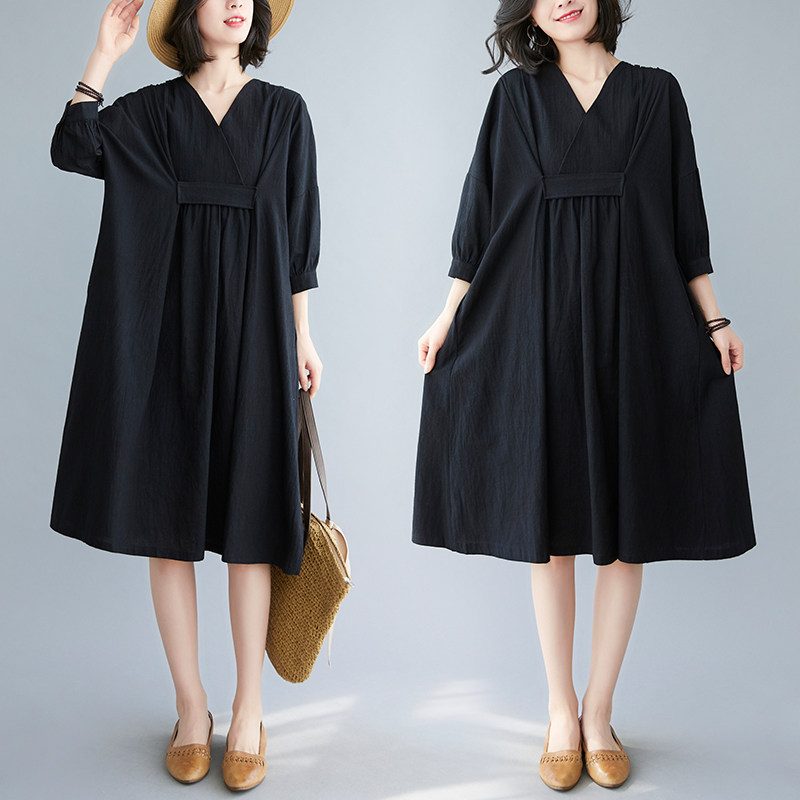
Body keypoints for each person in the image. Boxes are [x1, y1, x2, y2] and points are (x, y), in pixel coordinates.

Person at [412, 0, 756, 791]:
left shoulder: (657, 94)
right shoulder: (516, 99)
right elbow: (480, 217)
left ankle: (599, 712)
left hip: (635, 328)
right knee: (553, 530)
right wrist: (447, 316)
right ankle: (560, 711)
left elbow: (685, 220)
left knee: (626, 531)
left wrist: (714, 319)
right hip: (538, 331)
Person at [49, 0, 322, 790]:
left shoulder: (285, 114)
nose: (237, 3)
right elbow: (73, 147)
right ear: (189, 12)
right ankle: (192, 706)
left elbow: (299, 241)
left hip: (257, 335)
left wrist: (304, 338)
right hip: (166, 339)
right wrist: (104, 55)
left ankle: (249, 709)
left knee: (251, 526)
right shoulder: (151, 114)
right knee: (166, 523)